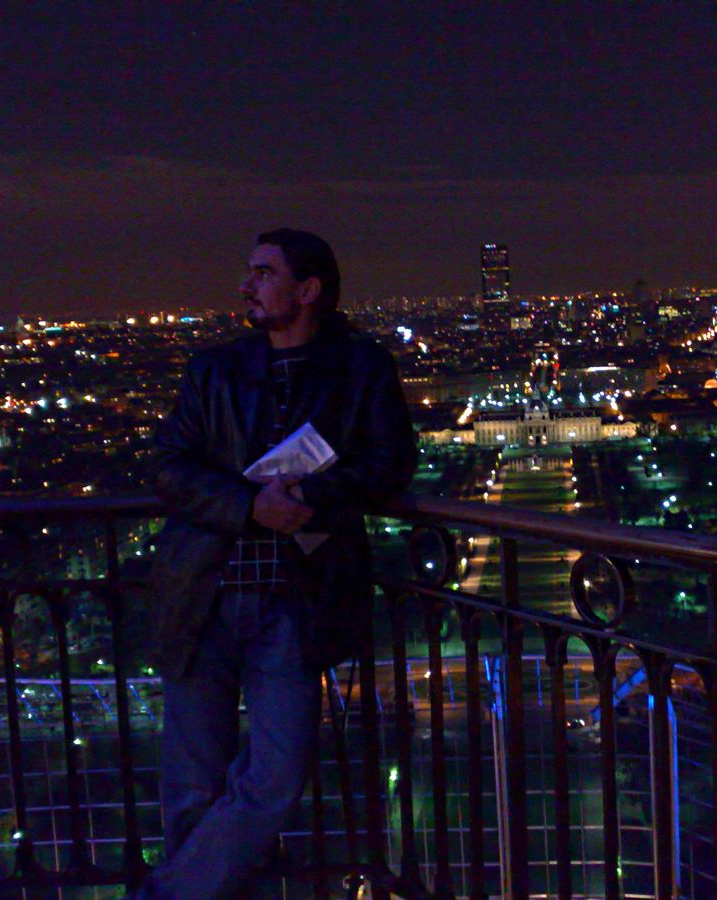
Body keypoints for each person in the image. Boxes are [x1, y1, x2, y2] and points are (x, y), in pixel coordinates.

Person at [139, 228, 416, 897]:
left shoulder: (361, 367)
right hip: (204, 597)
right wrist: (250, 507)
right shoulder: (214, 369)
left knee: (273, 778)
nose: (246, 285)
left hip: (291, 599)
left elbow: (392, 464)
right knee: (196, 786)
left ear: (309, 288)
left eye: (263, 273)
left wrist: (313, 497)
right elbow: (166, 467)